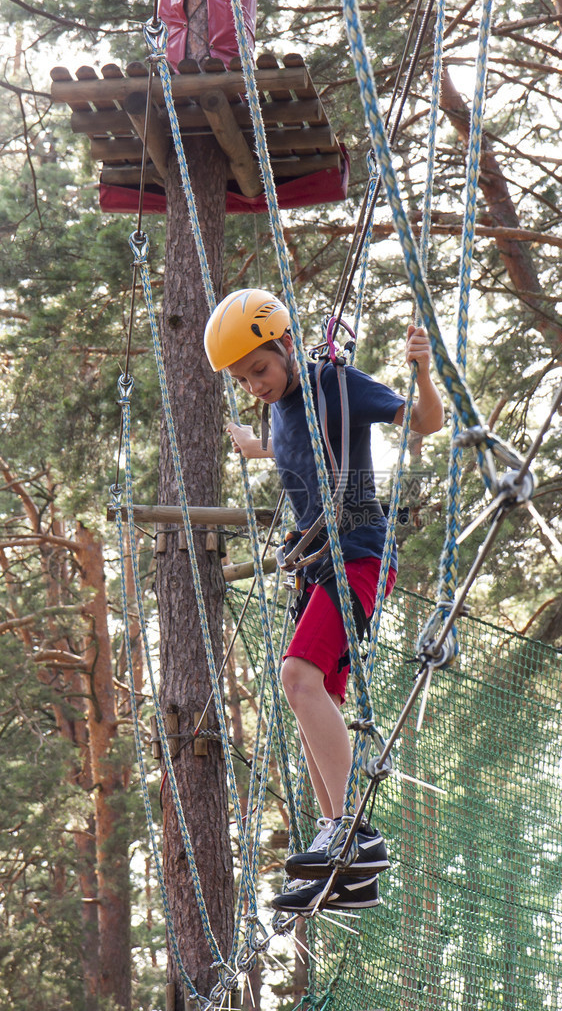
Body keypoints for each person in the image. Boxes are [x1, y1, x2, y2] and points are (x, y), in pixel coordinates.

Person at [204, 288, 444, 914]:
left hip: (359, 549)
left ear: (285, 344)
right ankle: (349, 869)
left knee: (297, 678)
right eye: (241, 378)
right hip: (319, 565)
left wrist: (423, 371)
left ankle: (353, 833)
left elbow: (426, 423)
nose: (253, 384)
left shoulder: (336, 386)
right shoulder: (280, 412)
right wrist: (249, 445)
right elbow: (282, 448)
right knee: (317, 698)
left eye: (258, 368)